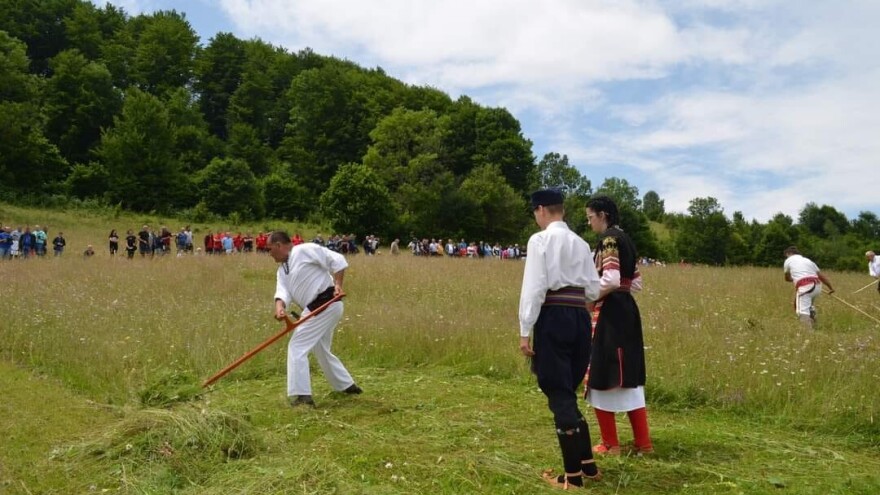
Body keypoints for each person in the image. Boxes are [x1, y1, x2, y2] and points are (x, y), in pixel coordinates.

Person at [518, 188, 602, 489]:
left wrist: (525, 330)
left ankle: (573, 477)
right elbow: (593, 288)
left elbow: (534, 288)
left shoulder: (539, 240)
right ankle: (588, 465)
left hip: (553, 316)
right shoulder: (581, 242)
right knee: (567, 388)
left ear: (541, 210)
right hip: (580, 317)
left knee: (558, 391)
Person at [584, 195, 653, 457]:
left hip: (610, 313)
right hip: (628, 311)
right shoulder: (627, 240)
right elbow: (635, 284)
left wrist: (589, 298)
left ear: (603, 215)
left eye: (591, 217)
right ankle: (643, 443)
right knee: (630, 374)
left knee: (603, 372)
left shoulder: (609, 240)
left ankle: (610, 444)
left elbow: (610, 279)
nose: (589, 223)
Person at [268, 231, 363, 407]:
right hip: (315, 309)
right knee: (320, 349)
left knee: (297, 346)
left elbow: (337, 261)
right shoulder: (282, 271)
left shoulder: (305, 250)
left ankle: (303, 396)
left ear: (279, 245)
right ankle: (347, 386)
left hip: (326, 303)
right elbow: (282, 293)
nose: (269, 253)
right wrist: (280, 308)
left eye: (270, 248)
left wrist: (338, 285)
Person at [784, 246, 834, 329]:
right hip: (817, 286)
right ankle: (813, 321)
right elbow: (821, 276)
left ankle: (808, 334)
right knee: (805, 305)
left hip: (805, 286)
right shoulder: (808, 261)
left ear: (788, 254)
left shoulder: (788, 260)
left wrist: (794, 279)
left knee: (801, 311)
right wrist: (830, 288)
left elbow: (786, 278)